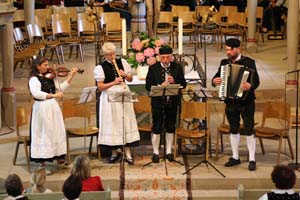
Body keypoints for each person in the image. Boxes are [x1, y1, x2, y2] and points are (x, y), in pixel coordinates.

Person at [212, 38, 260, 171]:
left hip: (246, 101)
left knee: (249, 128)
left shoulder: (249, 62)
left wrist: (250, 85)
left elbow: (256, 81)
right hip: (231, 101)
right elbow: (216, 76)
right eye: (226, 49)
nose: (227, 52)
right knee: (233, 128)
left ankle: (252, 159)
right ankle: (235, 157)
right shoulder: (224, 63)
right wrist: (214, 80)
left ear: (238, 49)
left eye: (229, 50)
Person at [28, 56, 79, 174]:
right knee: (44, 133)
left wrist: (71, 75)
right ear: (38, 66)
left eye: (47, 64)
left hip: (52, 107)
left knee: (56, 131)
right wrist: (53, 96)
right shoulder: (33, 79)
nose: (48, 67)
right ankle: (42, 165)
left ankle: (59, 159)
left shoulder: (51, 76)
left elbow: (61, 88)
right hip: (41, 108)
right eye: (45, 65)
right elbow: (36, 93)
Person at [94, 42, 140, 165]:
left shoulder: (122, 62)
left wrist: (126, 75)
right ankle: (114, 152)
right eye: (109, 55)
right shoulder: (100, 67)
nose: (113, 57)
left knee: (126, 121)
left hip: (123, 93)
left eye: (114, 53)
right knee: (112, 123)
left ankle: (128, 152)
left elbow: (130, 79)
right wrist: (114, 82)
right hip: (109, 97)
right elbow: (100, 87)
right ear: (105, 55)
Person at [145, 45, 187, 163]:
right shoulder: (153, 68)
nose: (165, 60)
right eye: (163, 57)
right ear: (159, 57)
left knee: (170, 126)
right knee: (157, 127)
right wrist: (160, 86)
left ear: (171, 57)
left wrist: (174, 81)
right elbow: (148, 86)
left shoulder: (177, 67)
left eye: (168, 57)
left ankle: (169, 151)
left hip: (172, 102)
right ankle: (155, 152)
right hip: (158, 102)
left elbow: (183, 84)